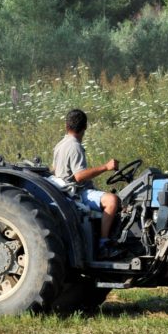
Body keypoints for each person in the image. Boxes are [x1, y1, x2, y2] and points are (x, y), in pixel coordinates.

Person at [50, 108, 121, 255]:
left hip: (64, 190)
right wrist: (106, 167)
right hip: (75, 193)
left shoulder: (60, 145)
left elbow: (54, 169)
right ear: (85, 127)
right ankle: (104, 243)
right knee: (112, 200)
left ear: (66, 126)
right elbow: (79, 176)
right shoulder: (74, 146)